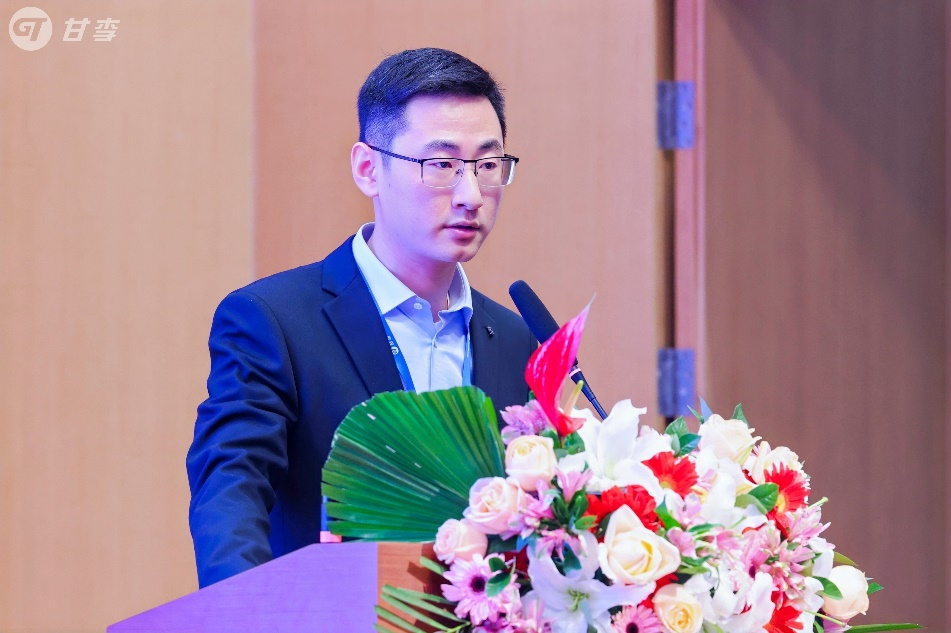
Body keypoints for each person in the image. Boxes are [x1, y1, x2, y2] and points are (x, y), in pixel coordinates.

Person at [186, 48, 536, 588]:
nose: (471, 195)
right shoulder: (274, 322)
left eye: (487, 166)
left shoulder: (514, 340)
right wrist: (244, 610)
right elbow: (231, 488)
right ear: (369, 169)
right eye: (441, 165)